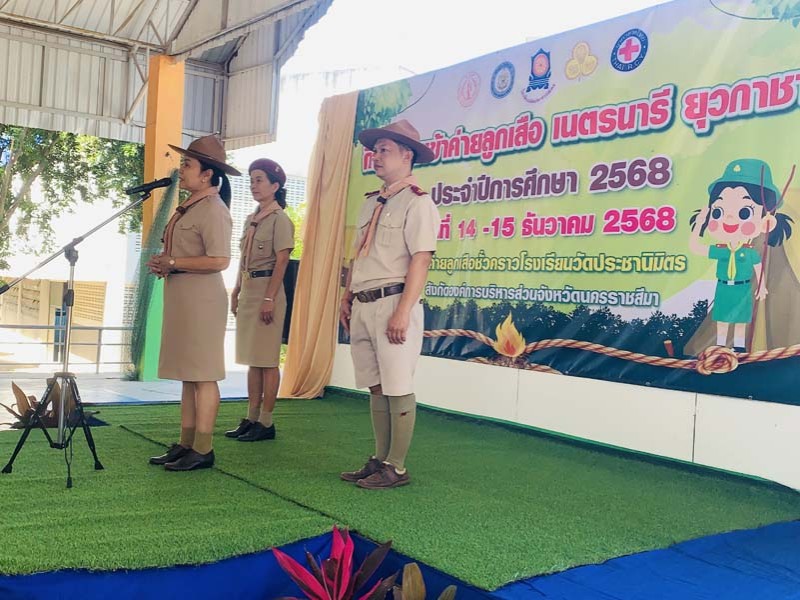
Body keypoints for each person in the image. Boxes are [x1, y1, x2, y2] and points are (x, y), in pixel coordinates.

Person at [339, 119, 439, 489]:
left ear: (406, 155)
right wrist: (346, 295)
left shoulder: (418, 202)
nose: (376, 156)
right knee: (375, 385)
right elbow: (359, 255)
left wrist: (403, 311)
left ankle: (396, 467)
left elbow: (421, 260)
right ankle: (380, 459)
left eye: (384, 150)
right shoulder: (371, 202)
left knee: (397, 385)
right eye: (375, 150)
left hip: (394, 301)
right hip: (364, 301)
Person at [146, 135, 238, 471]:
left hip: (202, 300)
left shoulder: (214, 209)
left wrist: (173, 262)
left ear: (207, 175)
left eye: (187, 164)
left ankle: (203, 448)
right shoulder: (191, 206)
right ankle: (186, 444)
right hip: (183, 295)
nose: (181, 169)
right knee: (188, 374)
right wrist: (165, 263)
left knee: (203, 375)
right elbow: (184, 254)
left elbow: (220, 260)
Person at [688, 159, 791, 353]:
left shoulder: (750, 252)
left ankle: (739, 348)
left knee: (741, 321)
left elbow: (758, 268)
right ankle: (720, 347)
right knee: (722, 320)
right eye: (718, 212)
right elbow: (695, 247)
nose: (728, 219)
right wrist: (699, 224)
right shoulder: (722, 250)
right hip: (723, 288)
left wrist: (761, 286)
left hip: (742, 289)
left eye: (744, 212)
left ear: (766, 221)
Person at [225, 159, 294, 441]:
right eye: (251, 180)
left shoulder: (280, 220)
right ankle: (251, 418)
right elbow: (244, 259)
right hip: (250, 288)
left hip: (268, 291)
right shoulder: (251, 219)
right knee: (252, 360)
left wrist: (269, 298)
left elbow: (282, 261)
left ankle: (266, 422)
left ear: (275, 186)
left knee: (267, 361)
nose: (253, 185)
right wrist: (236, 290)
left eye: (259, 180)